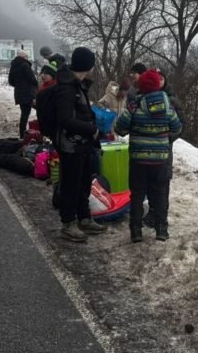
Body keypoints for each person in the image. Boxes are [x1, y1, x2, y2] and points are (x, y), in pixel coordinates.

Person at [115, 69, 182, 242]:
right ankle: (161, 230)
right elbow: (176, 127)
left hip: (138, 159)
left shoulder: (134, 105)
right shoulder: (167, 106)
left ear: (142, 87)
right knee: (158, 193)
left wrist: (135, 128)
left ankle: (136, 231)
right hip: (160, 160)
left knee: (136, 194)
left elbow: (119, 129)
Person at [51, 46, 107, 242]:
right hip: (70, 145)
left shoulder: (78, 85)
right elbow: (65, 119)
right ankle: (68, 223)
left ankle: (84, 218)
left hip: (83, 144)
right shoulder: (67, 87)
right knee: (71, 185)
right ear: (88, 66)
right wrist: (91, 129)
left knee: (84, 182)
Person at [143, 68, 184, 228]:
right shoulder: (145, 98)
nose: (159, 81)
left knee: (162, 183)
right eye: (156, 78)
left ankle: (161, 217)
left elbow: (181, 124)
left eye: (162, 78)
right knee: (149, 182)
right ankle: (153, 212)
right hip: (147, 149)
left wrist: (166, 138)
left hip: (164, 149)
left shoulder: (172, 100)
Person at [9, 50, 38, 138]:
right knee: (39, 110)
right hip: (29, 94)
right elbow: (32, 79)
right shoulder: (25, 65)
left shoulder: (13, 66)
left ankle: (22, 135)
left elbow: (11, 81)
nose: (27, 58)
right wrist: (37, 85)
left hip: (19, 94)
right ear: (24, 57)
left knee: (24, 115)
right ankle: (36, 133)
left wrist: (19, 86)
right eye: (26, 57)